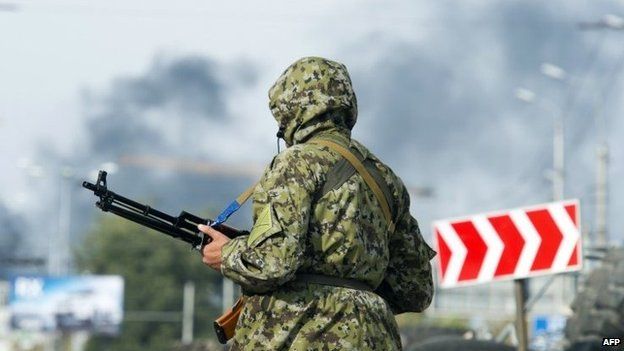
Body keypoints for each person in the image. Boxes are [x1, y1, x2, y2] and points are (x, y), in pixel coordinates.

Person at [198, 57, 436, 350]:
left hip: (301, 333)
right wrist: (354, 287)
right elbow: (416, 290)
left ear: (291, 110)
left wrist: (228, 254)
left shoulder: (296, 162)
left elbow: (273, 263)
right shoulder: (386, 179)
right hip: (375, 337)